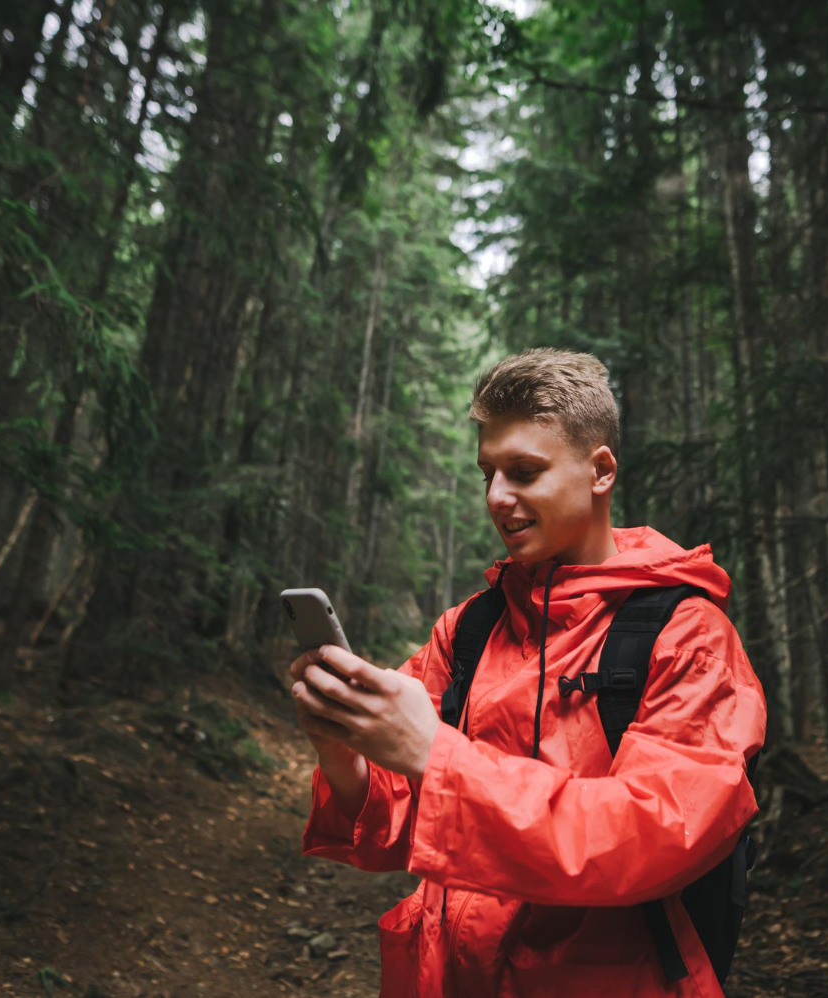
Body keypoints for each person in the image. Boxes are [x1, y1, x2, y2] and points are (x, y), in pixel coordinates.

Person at [289, 348, 767, 997]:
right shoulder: (468, 629)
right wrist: (342, 749)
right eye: (488, 473)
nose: (496, 497)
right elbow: (394, 821)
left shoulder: (687, 636)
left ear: (600, 471)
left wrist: (435, 755)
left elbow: (653, 838)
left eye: (524, 472)